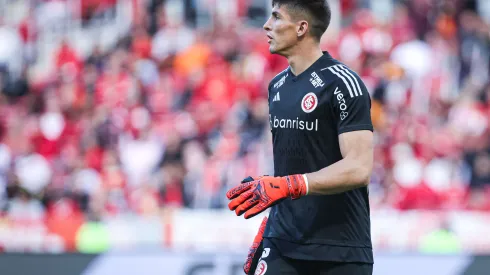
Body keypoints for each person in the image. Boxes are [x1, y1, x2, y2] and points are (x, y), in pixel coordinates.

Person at [225, 1, 374, 274]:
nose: (266, 25)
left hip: (340, 250)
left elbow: (359, 168)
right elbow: (292, 170)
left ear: (301, 28)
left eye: (276, 17)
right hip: (283, 242)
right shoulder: (276, 86)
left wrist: (289, 185)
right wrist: (271, 223)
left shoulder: (343, 83)